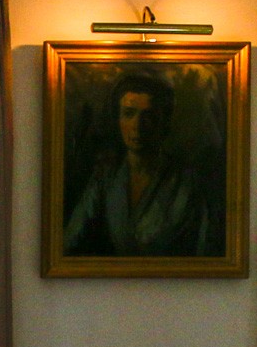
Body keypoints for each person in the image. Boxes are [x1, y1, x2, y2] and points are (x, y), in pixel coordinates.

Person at [63, 70, 218, 258]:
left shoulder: (187, 183)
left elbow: (203, 251)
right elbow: (71, 239)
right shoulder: (106, 177)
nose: (137, 125)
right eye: (129, 114)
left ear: (163, 121)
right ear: (118, 119)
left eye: (148, 116)